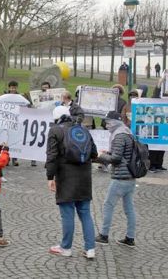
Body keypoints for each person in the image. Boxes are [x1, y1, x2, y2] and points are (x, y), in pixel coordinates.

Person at [46, 106, 97, 259]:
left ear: (56, 118)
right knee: (86, 214)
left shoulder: (55, 130)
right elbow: (93, 153)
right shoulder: (83, 130)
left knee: (67, 214)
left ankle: (66, 248)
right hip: (84, 178)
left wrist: (50, 177)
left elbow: (52, 156)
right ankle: (90, 249)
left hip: (66, 177)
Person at [95, 111, 136, 248]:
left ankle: (104, 235)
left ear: (114, 122)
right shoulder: (128, 132)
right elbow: (122, 154)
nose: (106, 125)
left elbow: (116, 159)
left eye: (107, 122)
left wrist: (101, 156)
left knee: (108, 205)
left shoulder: (118, 136)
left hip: (120, 177)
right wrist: (108, 153)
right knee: (129, 208)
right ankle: (130, 238)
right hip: (130, 177)